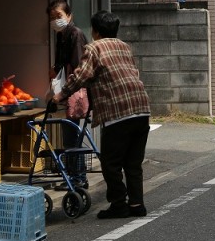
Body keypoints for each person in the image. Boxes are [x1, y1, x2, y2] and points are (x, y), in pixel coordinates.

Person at [52, 11, 150, 219]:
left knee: (111, 163)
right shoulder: (125, 46)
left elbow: (81, 76)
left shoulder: (94, 48)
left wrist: (60, 94)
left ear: (95, 31)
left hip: (118, 113)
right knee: (133, 163)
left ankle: (118, 205)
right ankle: (136, 204)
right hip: (141, 109)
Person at [47, 0, 89, 188]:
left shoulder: (75, 34)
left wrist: (62, 90)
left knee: (72, 135)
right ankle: (76, 176)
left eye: (59, 16)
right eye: (52, 17)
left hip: (73, 90)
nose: (56, 20)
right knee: (70, 134)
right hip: (66, 90)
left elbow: (78, 68)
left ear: (69, 16)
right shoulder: (61, 35)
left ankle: (77, 178)